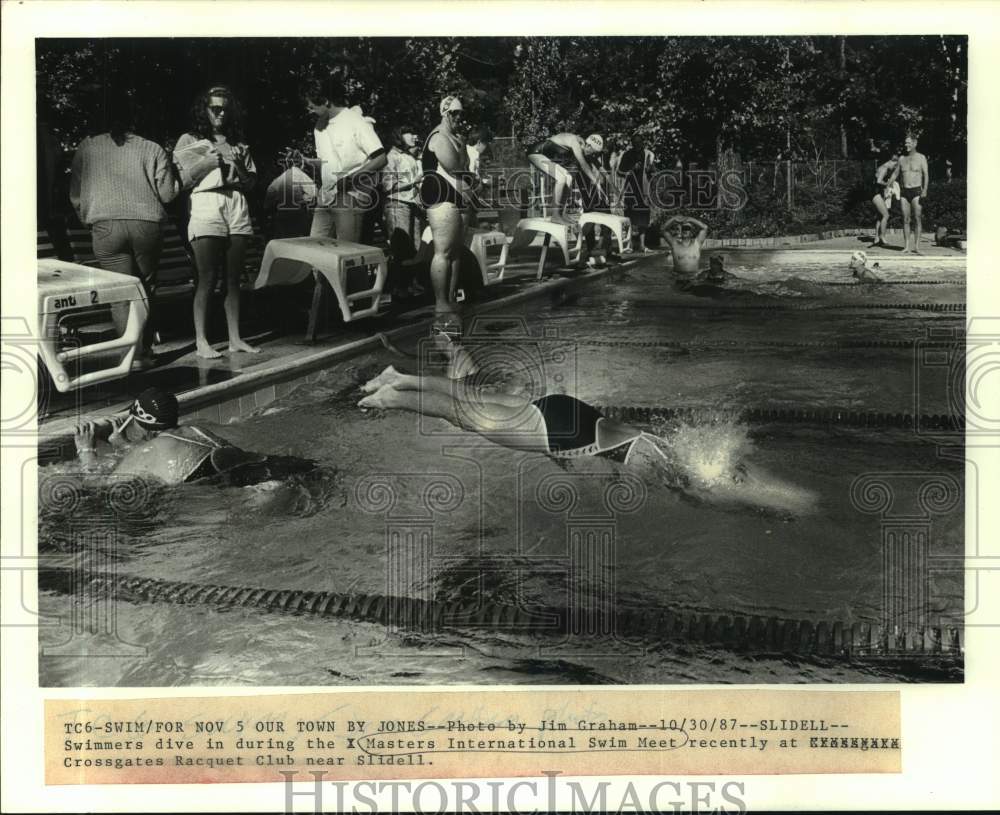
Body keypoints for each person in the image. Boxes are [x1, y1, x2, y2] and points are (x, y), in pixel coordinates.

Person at [357, 366, 815, 515]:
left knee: (470, 400)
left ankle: (399, 377)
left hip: (569, 411)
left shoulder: (661, 442)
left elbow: (606, 454)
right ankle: (391, 400)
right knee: (467, 416)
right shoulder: (665, 467)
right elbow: (681, 493)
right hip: (563, 429)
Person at [70, 89, 180, 367]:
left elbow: (75, 194)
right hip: (146, 225)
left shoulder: (88, 147)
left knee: (120, 295)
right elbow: (168, 195)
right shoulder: (152, 148)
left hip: (106, 226)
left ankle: (129, 356)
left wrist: (89, 217)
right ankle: (145, 351)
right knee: (144, 289)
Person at [74, 387, 313, 486]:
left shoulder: (147, 451)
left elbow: (100, 485)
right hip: (278, 468)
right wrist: (126, 445)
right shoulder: (196, 429)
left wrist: (86, 451)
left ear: (144, 427)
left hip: (236, 487)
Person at [174, 85, 259, 359]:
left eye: (224, 108)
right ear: (205, 109)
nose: (220, 113)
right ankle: (201, 341)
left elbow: (252, 183)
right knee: (206, 277)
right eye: (214, 108)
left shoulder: (238, 141)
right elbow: (180, 183)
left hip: (236, 203)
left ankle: (235, 338)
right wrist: (208, 164)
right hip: (206, 202)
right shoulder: (189, 139)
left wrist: (241, 165)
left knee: (234, 279)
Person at [305, 75, 387, 244]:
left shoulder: (355, 120)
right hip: (326, 197)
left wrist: (351, 179)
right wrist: (303, 160)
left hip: (351, 195)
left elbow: (380, 158)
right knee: (315, 250)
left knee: (347, 254)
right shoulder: (319, 126)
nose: (308, 109)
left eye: (312, 106)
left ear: (326, 101)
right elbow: (326, 164)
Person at [420, 95, 476, 340]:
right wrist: (475, 179)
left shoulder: (456, 137)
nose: (458, 118)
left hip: (458, 198)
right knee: (443, 251)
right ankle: (441, 303)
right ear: (444, 112)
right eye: (454, 113)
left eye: (461, 114)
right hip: (441, 197)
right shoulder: (438, 137)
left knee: (455, 253)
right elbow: (456, 166)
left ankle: (451, 300)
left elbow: (464, 164)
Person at [526, 132, 605, 222]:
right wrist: (596, 182)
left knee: (568, 178)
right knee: (561, 178)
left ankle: (560, 213)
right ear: (588, 146)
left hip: (545, 157)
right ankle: (555, 215)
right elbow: (583, 164)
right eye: (592, 152)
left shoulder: (583, 145)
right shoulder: (575, 142)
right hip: (536, 153)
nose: (591, 155)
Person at [382, 126, 425, 275]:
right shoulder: (391, 156)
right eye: (411, 133)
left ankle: (411, 284)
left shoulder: (409, 156)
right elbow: (387, 185)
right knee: (401, 248)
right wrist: (414, 181)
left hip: (413, 205)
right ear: (400, 136)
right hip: (397, 205)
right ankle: (400, 288)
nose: (415, 136)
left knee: (416, 247)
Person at [888, 134, 929, 254]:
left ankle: (916, 247)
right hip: (904, 191)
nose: (906, 145)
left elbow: (926, 175)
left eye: (908, 143)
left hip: (916, 190)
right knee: (905, 219)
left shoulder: (921, 158)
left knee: (917, 218)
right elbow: (895, 174)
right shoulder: (901, 159)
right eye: (905, 143)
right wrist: (888, 184)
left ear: (915, 143)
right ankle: (906, 246)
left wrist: (925, 189)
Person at [617, 137, 656, 252]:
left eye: (640, 142)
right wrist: (631, 169)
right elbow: (619, 171)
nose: (638, 145)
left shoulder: (648, 154)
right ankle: (630, 245)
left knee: (643, 217)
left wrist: (650, 169)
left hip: (643, 190)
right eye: (636, 143)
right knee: (629, 217)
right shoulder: (627, 154)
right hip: (630, 190)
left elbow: (652, 170)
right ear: (632, 144)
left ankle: (642, 245)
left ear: (643, 143)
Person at [870, 153, 900, 247]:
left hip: (876, 192)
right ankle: (882, 237)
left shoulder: (882, 167)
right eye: (894, 166)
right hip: (874, 192)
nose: (894, 168)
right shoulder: (884, 168)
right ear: (892, 162)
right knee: (886, 215)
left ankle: (877, 238)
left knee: (880, 215)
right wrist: (888, 184)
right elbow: (879, 181)